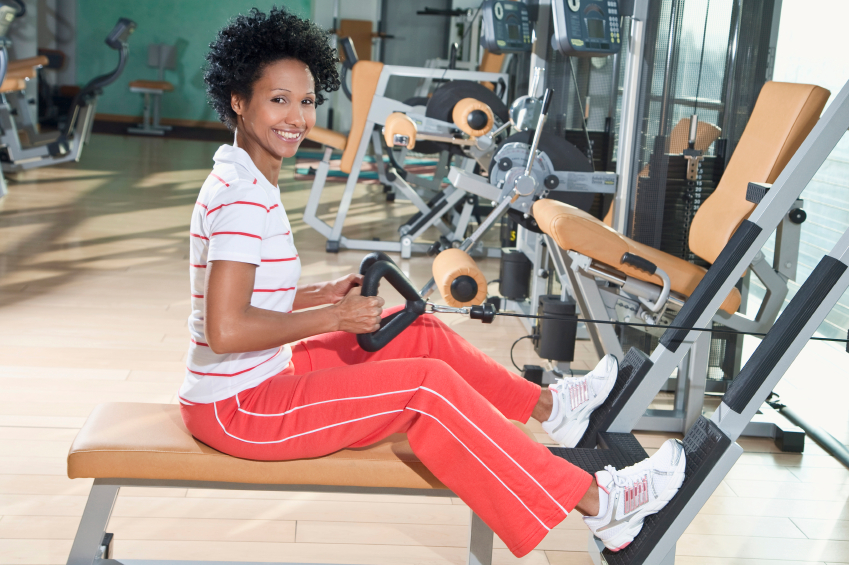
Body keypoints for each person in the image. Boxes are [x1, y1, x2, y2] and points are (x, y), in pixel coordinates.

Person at [179, 7, 686, 557]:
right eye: (279, 100)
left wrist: (320, 296)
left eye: (305, 101)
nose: (297, 117)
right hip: (240, 409)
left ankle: (552, 409)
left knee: (415, 333)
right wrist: (334, 318)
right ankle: (602, 505)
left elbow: (242, 297)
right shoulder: (243, 197)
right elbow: (226, 329)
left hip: (263, 377)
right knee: (425, 386)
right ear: (237, 99)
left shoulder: (246, 177)